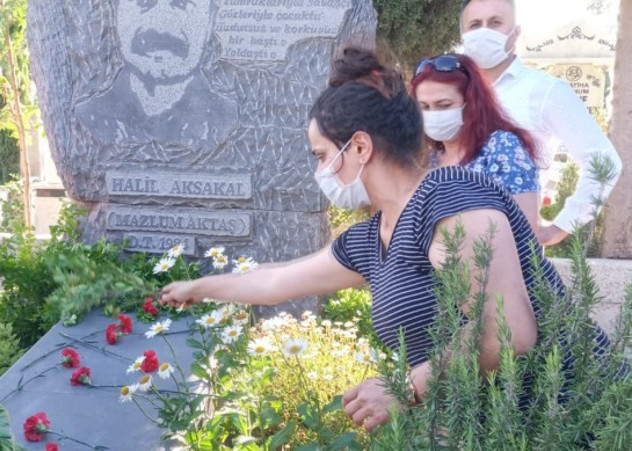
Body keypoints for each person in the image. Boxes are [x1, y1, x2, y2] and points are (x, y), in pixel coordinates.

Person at [159, 44, 612, 431]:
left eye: (322, 155)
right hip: (506, 429)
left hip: (584, 421)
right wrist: (197, 287)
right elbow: (275, 281)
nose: (321, 171)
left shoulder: (451, 197)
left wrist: (405, 387)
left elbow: (510, 333)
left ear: (359, 147)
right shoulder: (371, 240)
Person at [460, 0, 622, 246]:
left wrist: (559, 228)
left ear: (515, 32)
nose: (484, 32)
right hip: (448, 248)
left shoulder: (545, 91)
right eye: (475, 25)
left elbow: (604, 161)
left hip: (512, 250)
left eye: (495, 23)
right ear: (463, 35)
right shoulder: (448, 93)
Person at [74, 0, 238, 151]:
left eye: (182, 3)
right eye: (144, 2)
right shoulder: (89, 116)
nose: (161, 24)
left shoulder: (227, 118)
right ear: (115, 13)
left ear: (209, 20)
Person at [410, 53, 541, 232]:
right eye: (424, 107)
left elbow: (526, 230)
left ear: (471, 103)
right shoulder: (428, 158)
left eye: (444, 105)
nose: (434, 114)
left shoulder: (501, 148)